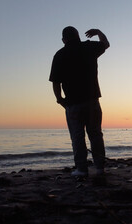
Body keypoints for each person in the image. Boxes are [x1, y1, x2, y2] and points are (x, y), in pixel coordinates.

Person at [49, 26, 110, 177]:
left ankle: (82, 169)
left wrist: (59, 99)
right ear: (78, 36)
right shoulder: (89, 47)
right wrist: (99, 32)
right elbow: (106, 43)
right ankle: (100, 168)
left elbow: (55, 82)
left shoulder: (60, 54)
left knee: (77, 137)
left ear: (64, 40)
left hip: (73, 103)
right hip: (92, 100)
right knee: (95, 134)